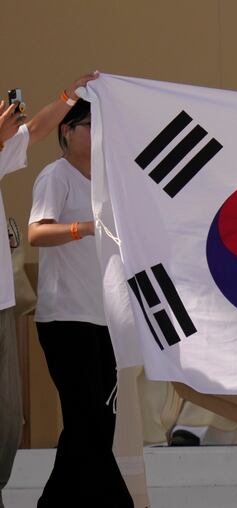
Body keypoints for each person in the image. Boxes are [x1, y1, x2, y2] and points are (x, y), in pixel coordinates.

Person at [28, 99, 132, 507]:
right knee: (86, 419)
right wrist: (82, 227)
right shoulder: (56, 176)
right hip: (65, 319)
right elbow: (36, 233)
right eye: (88, 124)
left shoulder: (105, 181)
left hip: (102, 317)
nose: (95, 133)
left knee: (96, 425)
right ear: (67, 131)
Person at [0, 71, 97, 508]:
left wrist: (69, 93)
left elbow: (36, 128)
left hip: (3, 306)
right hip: (64, 316)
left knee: (7, 419)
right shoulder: (56, 177)